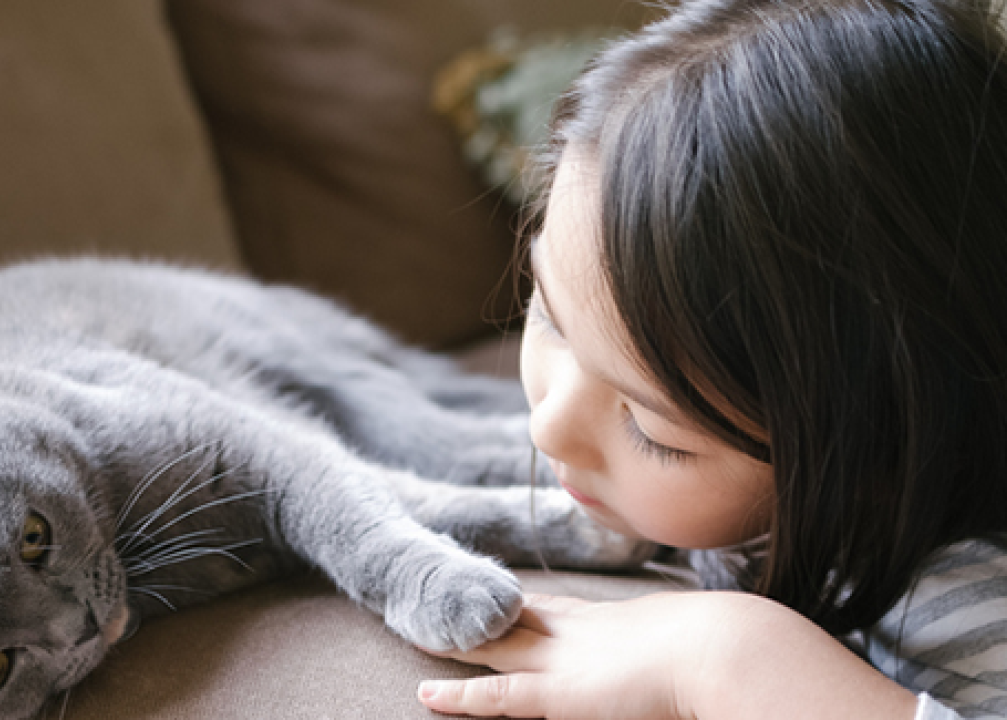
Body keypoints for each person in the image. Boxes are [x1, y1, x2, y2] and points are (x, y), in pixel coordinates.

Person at [415, 0, 1007, 717]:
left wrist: (726, 655)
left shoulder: (964, 596)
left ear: (876, 461)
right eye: (549, 316)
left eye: (653, 431)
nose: (548, 429)